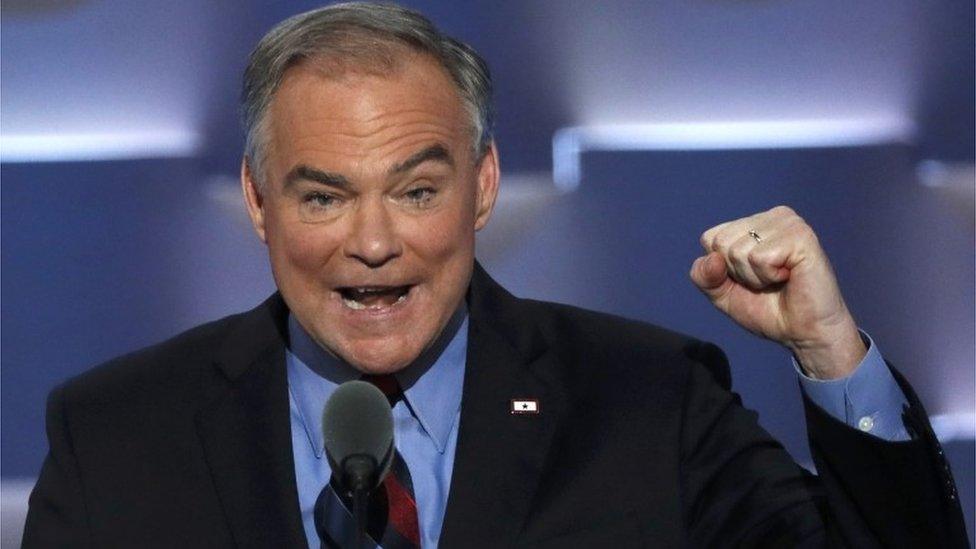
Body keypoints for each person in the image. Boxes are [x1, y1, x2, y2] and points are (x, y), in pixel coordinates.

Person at [23, 2, 967, 547]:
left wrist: (829, 350)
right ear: (258, 200)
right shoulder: (117, 434)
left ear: (481, 188)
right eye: (322, 198)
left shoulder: (646, 400)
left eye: (417, 190)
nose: (375, 242)